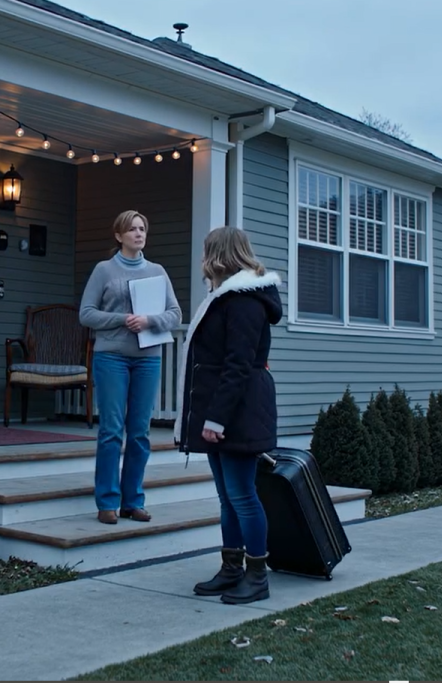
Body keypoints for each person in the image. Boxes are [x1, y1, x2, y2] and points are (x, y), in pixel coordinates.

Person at [174, 226, 282, 604]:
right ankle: (231, 568)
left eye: (206, 251)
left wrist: (216, 418)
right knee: (228, 497)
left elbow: (238, 365)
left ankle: (257, 575)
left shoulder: (244, 301)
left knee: (242, 495)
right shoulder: (225, 298)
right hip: (226, 409)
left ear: (217, 255)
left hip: (241, 410)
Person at [80, 210, 182, 525]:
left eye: (142, 229)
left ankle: (133, 500)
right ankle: (107, 502)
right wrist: (121, 320)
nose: (138, 234)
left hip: (148, 358)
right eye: (132, 229)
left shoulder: (157, 271)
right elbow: (86, 314)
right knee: (111, 429)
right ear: (118, 236)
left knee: (139, 432)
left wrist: (150, 320)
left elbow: (175, 314)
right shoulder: (104, 270)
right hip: (111, 356)